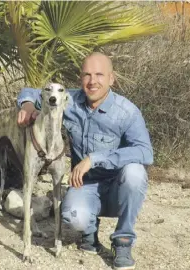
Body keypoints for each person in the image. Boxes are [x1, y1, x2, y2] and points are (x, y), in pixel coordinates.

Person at [16, 52, 153, 270]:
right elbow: (31, 92)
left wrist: (95, 158)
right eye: (87, 75)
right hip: (86, 184)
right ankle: (89, 233)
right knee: (73, 216)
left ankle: (123, 241)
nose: (92, 81)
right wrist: (27, 106)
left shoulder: (126, 112)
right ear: (81, 79)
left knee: (135, 174)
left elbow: (145, 152)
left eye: (99, 74)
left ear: (111, 78)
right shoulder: (69, 100)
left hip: (118, 186)